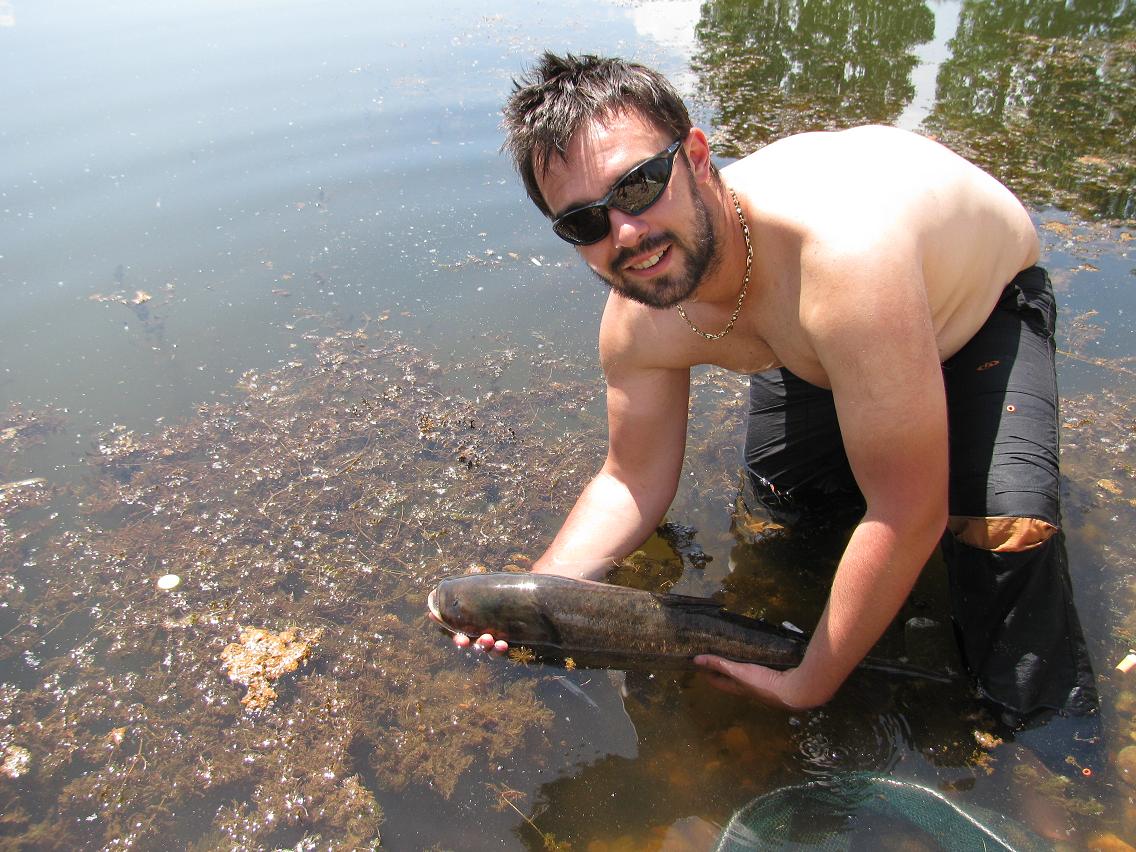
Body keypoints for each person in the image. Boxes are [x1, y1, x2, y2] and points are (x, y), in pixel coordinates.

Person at [440, 51, 1098, 723]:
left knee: (1002, 539)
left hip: (976, 312)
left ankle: (1051, 744)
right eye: (584, 222)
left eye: (639, 186)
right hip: (822, 344)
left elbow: (906, 512)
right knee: (782, 510)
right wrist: (536, 596)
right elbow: (630, 480)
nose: (626, 233)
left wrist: (808, 685)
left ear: (697, 157)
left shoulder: (842, 260)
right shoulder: (637, 321)